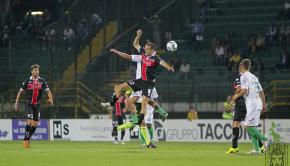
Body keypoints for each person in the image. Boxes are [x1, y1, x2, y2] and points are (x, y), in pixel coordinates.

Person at [109, 30, 173, 147]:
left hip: (148, 84)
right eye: (145, 49)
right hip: (140, 82)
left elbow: (164, 63)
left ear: (153, 50)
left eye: (148, 49)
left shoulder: (155, 58)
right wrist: (138, 36)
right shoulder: (142, 54)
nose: (145, 50)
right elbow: (135, 45)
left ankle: (146, 130)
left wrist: (169, 67)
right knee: (123, 89)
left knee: (145, 107)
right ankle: (136, 122)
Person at [230, 59, 271, 154]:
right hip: (258, 103)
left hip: (252, 104)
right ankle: (256, 149)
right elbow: (261, 91)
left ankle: (266, 139)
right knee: (253, 127)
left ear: (241, 68)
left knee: (246, 126)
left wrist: (236, 96)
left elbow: (244, 90)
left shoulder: (244, 76)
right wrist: (264, 104)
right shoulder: (254, 77)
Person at [226, 67, 264, 153]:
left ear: (240, 69)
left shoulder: (239, 77)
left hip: (240, 103)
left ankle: (234, 147)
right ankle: (261, 146)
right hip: (249, 102)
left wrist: (234, 98)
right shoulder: (251, 77)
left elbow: (239, 88)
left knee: (236, 123)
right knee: (251, 125)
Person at [14, 64, 53, 148]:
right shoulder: (27, 81)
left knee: (35, 124)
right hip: (29, 103)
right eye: (35, 70)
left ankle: (28, 138)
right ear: (32, 71)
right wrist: (16, 102)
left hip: (37, 104)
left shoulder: (42, 81)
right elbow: (20, 92)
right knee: (29, 122)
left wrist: (50, 99)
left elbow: (48, 91)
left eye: (38, 70)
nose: (37, 71)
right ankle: (25, 139)